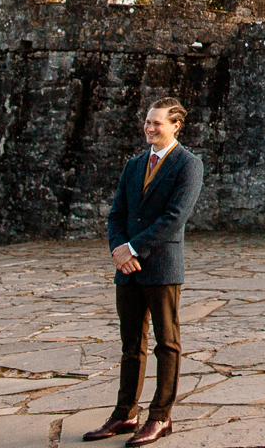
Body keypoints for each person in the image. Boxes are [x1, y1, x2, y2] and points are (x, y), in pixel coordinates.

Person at [84, 97, 205, 445]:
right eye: (147, 122)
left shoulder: (188, 165)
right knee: (130, 344)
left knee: (167, 344)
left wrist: (134, 249)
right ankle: (125, 414)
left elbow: (175, 218)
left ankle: (160, 417)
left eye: (157, 123)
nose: (149, 128)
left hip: (162, 266)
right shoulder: (134, 165)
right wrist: (119, 251)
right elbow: (116, 214)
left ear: (175, 125)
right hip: (128, 269)